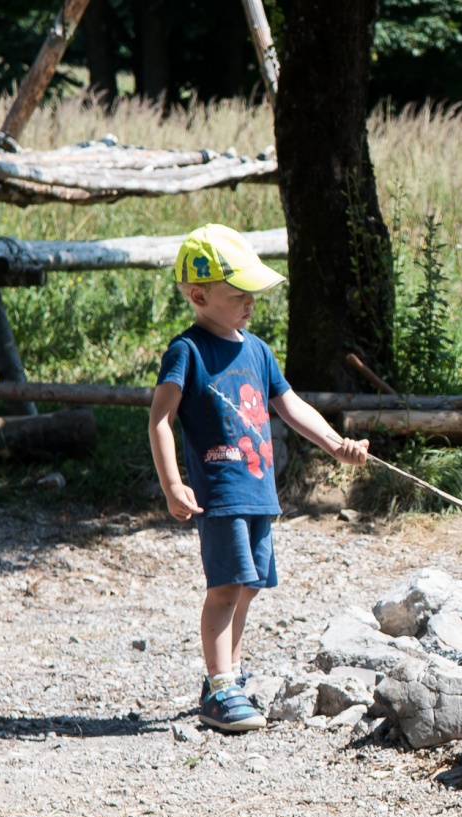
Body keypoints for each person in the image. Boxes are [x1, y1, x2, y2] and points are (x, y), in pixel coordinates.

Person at [148, 224, 370, 732]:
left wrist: (336, 444)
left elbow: (291, 407)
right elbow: (160, 418)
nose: (250, 302)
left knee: (247, 586)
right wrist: (172, 483)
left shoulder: (258, 351)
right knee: (225, 588)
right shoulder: (187, 351)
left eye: (253, 292)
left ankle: (228, 676)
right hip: (220, 494)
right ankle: (219, 687)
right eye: (238, 294)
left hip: (258, 491)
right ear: (198, 295)